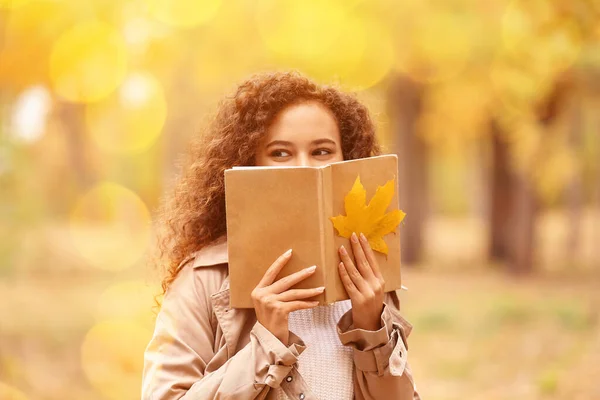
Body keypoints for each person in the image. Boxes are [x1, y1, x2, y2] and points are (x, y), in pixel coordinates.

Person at [142, 71, 420, 400]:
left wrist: (373, 329)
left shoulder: (369, 273)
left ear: (347, 158)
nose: (304, 166)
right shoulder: (205, 279)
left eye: (321, 151)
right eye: (281, 153)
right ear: (251, 162)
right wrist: (266, 345)